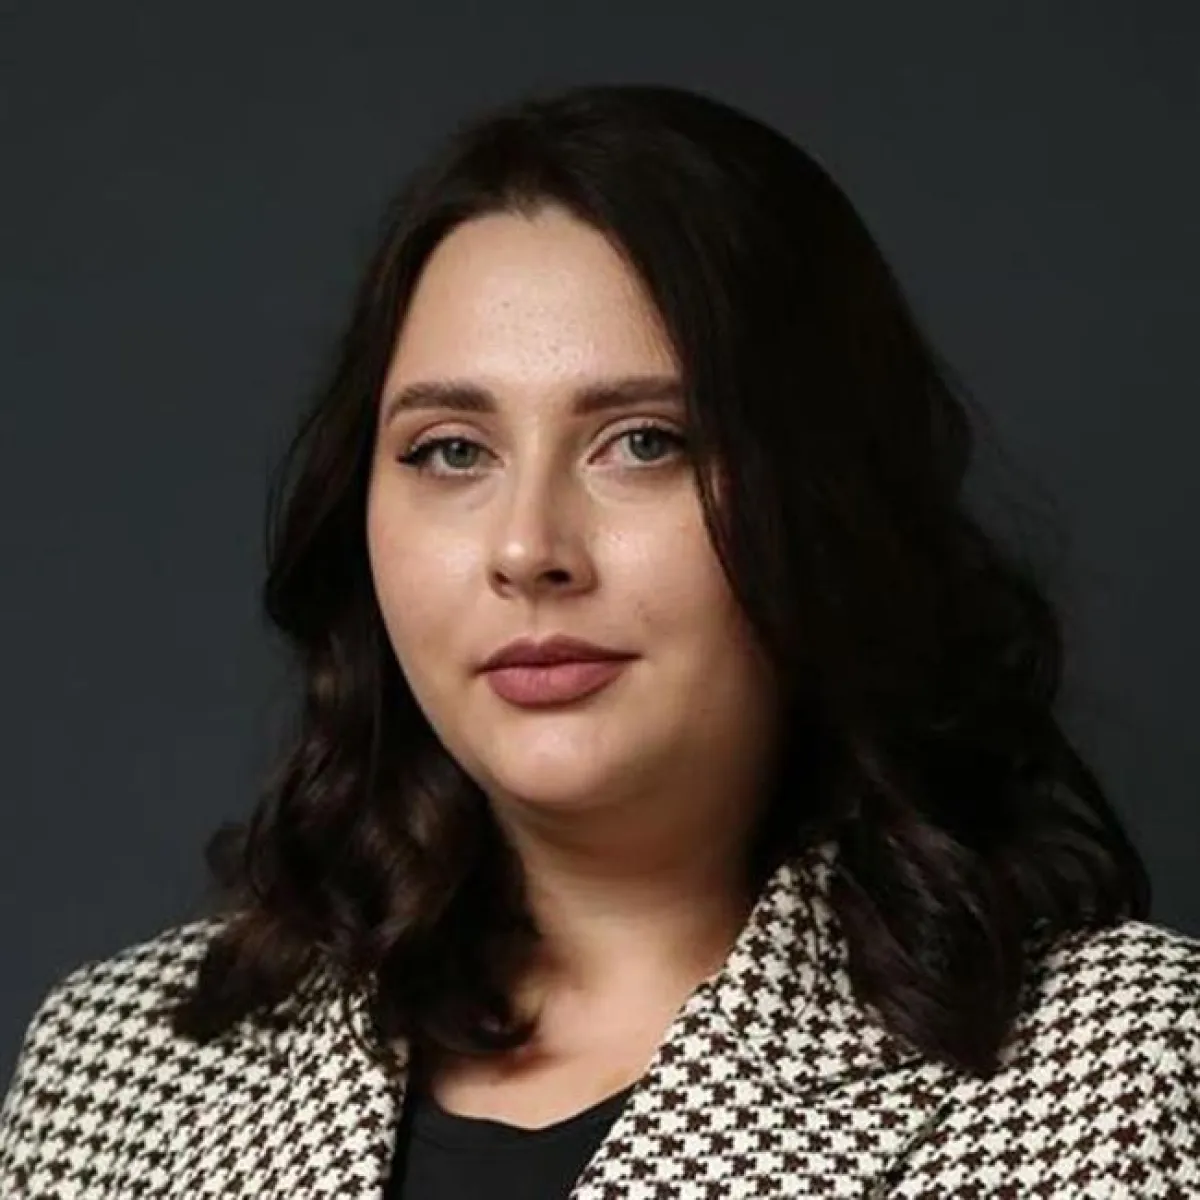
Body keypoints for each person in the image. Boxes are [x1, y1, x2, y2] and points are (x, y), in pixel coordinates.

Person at [1, 81, 1196, 1199]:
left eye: (644, 442)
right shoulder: (117, 1071)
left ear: (827, 499)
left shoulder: (1130, 1072)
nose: (529, 548)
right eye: (451, 451)